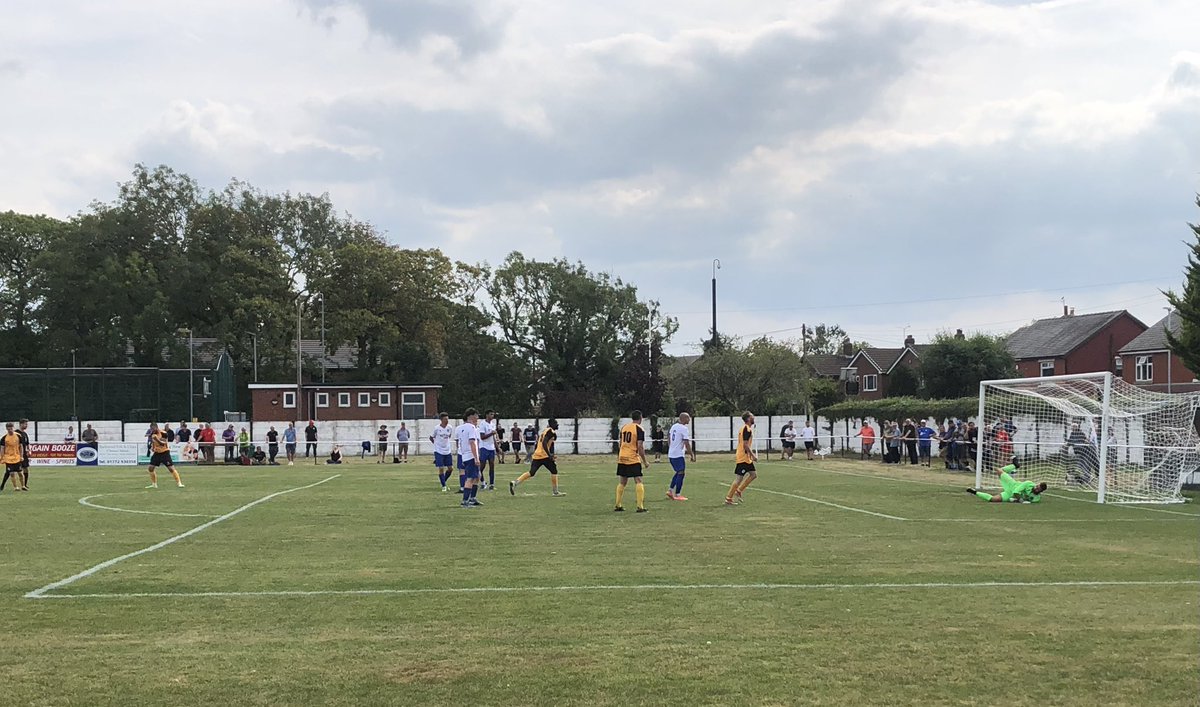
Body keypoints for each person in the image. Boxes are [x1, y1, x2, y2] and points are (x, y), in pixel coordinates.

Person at [509, 418, 564, 496]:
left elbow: (544, 443)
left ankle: (515, 483)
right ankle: (555, 492)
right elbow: (544, 443)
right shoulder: (550, 432)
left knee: (531, 472)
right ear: (552, 424)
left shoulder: (545, 431)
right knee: (554, 471)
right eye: (556, 423)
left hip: (537, 455)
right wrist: (549, 455)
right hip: (544, 455)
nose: (557, 424)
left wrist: (551, 454)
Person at [967, 458, 1045, 503]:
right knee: (998, 470)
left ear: (1040, 491)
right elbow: (1016, 492)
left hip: (1009, 494)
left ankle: (974, 492)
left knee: (993, 499)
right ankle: (1014, 466)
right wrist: (1021, 501)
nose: (1036, 487)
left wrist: (1014, 501)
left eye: (1038, 488)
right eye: (1037, 486)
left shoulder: (1036, 498)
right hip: (1012, 484)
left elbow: (1027, 500)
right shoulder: (1028, 483)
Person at [615, 411, 649, 512]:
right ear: (641, 418)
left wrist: (621, 454)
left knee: (622, 481)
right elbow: (640, 446)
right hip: (632, 457)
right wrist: (645, 461)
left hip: (622, 456)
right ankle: (640, 506)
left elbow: (620, 443)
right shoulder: (639, 429)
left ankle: (618, 504)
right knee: (638, 480)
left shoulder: (624, 427)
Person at [724, 411, 757, 506]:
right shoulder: (746, 429)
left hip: (746, 458)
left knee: (753, 475)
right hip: (743, 457)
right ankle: (729, 498)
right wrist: (753, 455)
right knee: (739, 479)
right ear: (748, 419)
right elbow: (745, 445)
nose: (753, 417)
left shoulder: (746, 428)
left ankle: (739, 490)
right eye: (752, 416)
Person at [145, 422, 184, 489]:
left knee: (171, 469)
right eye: (151, 429)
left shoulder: (163, 433)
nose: (152, 430)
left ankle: (179, 483)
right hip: (157, 453)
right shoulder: (153, 434)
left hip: (164, 452)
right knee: (150, 468)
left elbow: (163, 443)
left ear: (156, 427)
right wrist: (153, 447)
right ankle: (154, 484)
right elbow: (153, 442)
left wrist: (157, 439)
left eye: (153, 429)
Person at [457, 408, 484, 508]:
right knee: (470, 478)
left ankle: (472, 498)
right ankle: (465, 501)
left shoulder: (461, 428)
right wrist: (476, 458)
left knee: (477, 476)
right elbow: (472, 443)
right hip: (471, 456)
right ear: (471, 416)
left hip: (465, 455)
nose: (477, 418)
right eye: (476, 416)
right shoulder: (472, 428)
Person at [666, 412, 695, 501]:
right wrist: (691, 455)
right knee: (681, 473)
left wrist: (671, 447)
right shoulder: (684, 428)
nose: (689, 420)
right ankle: (677, 494)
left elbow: (668, 437)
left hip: (671, 454)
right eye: (688, 418)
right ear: (683, 418)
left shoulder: (674, 426)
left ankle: (670, 491)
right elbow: (686, 443)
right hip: (678, 455)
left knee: (679, 472)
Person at [430, 412, 454, 492]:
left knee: (450, 468)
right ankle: (444, 486)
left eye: (447, 419)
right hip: (438, 451)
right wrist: (436, 444)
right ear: (441, 420)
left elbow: (449, 436)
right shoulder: (436, 428)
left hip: (447, 450)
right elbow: (431, 437)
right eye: (445, 419)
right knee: (441, 468)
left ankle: (443, 481)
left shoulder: (449, 427)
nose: (447, 421)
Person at [1, 422, 27, 492]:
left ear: (13, 428)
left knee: (20, 473)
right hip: (8, 458)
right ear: (6, 429)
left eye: (11, 428)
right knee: (11, 473)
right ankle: (16, 487)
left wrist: (21, 456)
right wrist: (2, 458)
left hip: (17, 457)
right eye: (8, 429)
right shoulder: (4, 438)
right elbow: (2, 448)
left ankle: (23, 486)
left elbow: (21, 447)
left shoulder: (18, 436)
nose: (10, 430)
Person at [478, 410, 498, 489]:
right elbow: (482, 437)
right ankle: (481, 482)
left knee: (492, 465)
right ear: (487, 415)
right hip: (484, 447)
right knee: (481, 467)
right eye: (491, 414)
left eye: (493, 414)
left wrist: (497, 447)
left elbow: (493, 438)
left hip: (491, 448)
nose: (492, 416)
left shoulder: (493, 424)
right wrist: (491, 433)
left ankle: (492, 484)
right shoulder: (483, 424)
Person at [17, 418, 31, 488]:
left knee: (25, 469)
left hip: (24, 454)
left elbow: (27, 443)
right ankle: (3, 485)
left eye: (27, 424)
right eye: (25, 424)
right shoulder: (16, 433)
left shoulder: (25, 434)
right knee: (14, 470)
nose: (26, 426)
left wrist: (29, 450)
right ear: (21, 424)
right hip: (17, 454)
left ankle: (24, 485)